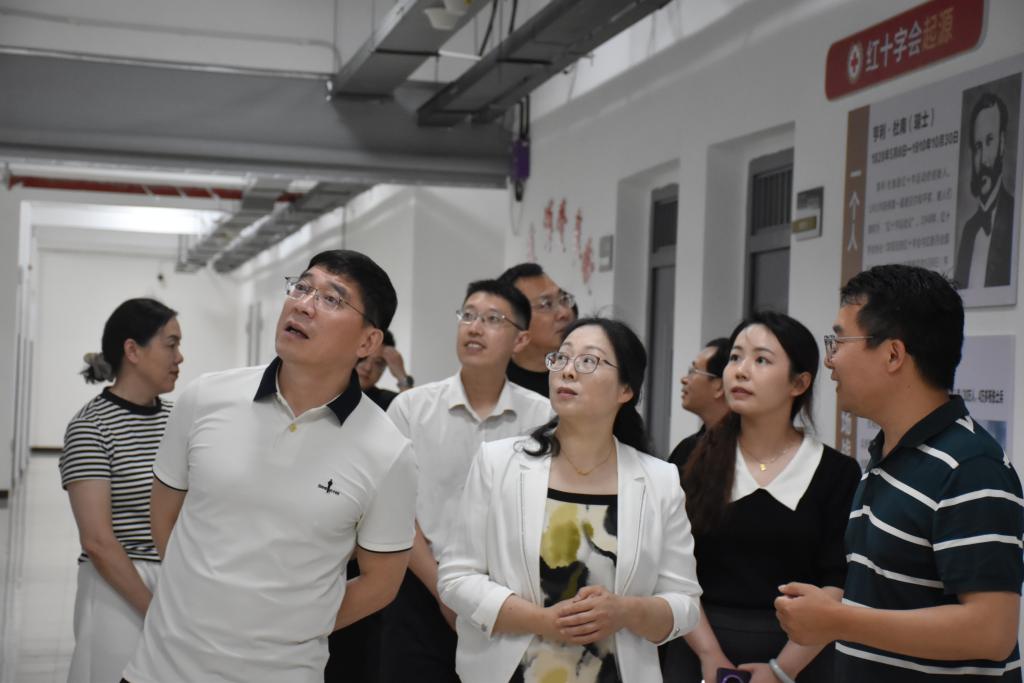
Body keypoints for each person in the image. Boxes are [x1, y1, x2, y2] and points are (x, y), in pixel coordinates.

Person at [123, 250, 417, 683]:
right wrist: (198, 599)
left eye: (332, 299)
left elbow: (381, 583)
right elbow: (164, 516)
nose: (303, 304)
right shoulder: (207, 398)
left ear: (368, 343)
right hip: (161, 669)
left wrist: (292, 626)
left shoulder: (388, 451)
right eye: (302, 287)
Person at [776, 264, 1024, 682]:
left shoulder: (969, 468)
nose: (830, 360)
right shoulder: (889, 453)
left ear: (893, 354)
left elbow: (990, 632)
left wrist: (838, 620)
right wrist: (835, 609)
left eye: (840, 341)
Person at [438, 317, 702, 683]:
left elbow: (685, 604)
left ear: (625, 389)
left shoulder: (660, 481)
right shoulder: (497, 463)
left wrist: (625, 612)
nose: (568, 371)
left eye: (588, 361)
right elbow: (457, 577)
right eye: (561, 358)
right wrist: (542, 621)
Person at [666, 311, 862, 683]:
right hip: (696, 645)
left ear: (799, 383)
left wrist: (781, 670)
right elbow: (672, 566)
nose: (740, 371)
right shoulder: (691, 457)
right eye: (735, 357)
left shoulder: (836, 472)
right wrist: (709, 655)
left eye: (761, 360)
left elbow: (837, 580)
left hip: (801, 655)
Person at [380, 279, 553, 683]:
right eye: (468, 315)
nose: (475, 327)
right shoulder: (411, 409)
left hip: (508, 597)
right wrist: (446, 591)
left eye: (493, 319)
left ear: (521, 339)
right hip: (419, 590)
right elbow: (393, 509)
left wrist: (481, 597)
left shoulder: (543, 418)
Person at [59, 298, 183, 683]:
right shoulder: (90, 428)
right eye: (171, 344)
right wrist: (153, 608)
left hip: (176, 580)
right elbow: (98, 541)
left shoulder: (179, 421)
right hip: (117, 584)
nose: (180, 357)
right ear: (133, 350)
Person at [955, 92, 1015, 289]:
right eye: (977, 146)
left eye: (989, 141)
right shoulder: (968, 231)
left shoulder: (1014, 218)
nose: (982, 160)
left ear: (1002, 144)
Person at [499, 262, 576, 396]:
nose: (565, 313)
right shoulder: (495, 384)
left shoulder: (584, 373)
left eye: (563, 299)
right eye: (546, 304)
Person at [667, 338, 731, 470]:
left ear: (719, 386)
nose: (684, 379)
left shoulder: (744, 450)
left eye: (693, 371)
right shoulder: (687, 449)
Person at [355, 329, 412, 411]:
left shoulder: (388, 401)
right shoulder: (334, 393)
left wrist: (401, 376)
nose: (367, 367)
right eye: (364, 358)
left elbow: (411, 414)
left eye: (378, 363)